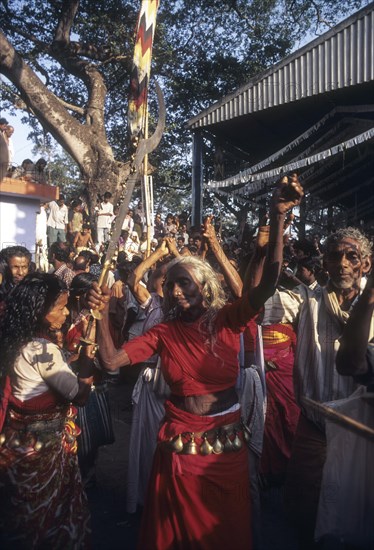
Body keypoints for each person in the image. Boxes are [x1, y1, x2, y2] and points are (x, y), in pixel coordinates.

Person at [88, 175, 303, 549]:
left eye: (184, 282)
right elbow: (109, 361)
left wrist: (278, 216)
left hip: (225, 449)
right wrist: (102, 311)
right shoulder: (163, 333)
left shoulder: (227, 319)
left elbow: (268, 281)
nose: (175, 291)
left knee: (227, 532)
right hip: (179, 450)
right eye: (171, 284)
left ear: (204, 286)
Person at [261, 225, 372, 548]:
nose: (343, 264)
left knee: (357, 518)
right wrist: (265, 247)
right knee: (304, 514)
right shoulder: (305, 300)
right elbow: (255, 304)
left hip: (362, 436)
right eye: (335, 256)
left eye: (352, 256)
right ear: (325, 264)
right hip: (314, 430)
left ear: (366, 264)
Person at [0, 273, 95, 548]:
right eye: (60, 307)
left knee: (20, 517)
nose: (65, 312)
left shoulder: (15, 339)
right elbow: (79, 396)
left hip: (16, 440)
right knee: (49, 518)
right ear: (41, 311)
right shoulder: (42, 349)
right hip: (44, 447)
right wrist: (87, 370)